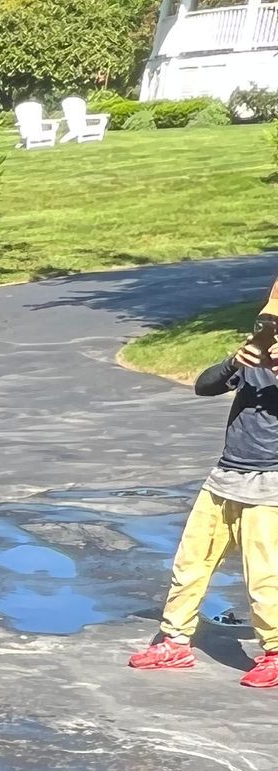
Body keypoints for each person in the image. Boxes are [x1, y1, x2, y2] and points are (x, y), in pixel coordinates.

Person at [131, 293, 278, 688]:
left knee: (265, 575)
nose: (271, 334)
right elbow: (204, 386)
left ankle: (275, 652)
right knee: (190, 564)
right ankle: (174, 642)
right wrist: (235, 362)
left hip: (270, 485)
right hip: (225, 476)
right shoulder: (252, 364)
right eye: (269, 326)